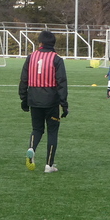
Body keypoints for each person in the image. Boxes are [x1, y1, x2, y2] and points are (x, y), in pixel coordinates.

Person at [19, 30, 68, 173]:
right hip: (51, 101)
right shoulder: (56, 59)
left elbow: (23, 80)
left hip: (34, 99)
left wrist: (24, 99)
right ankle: (49, 165)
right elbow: (62, 83)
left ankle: (31, 148)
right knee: (52, 132)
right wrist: (64, 104)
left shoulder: (31, 57)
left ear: (40, 43)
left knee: (37, 129)